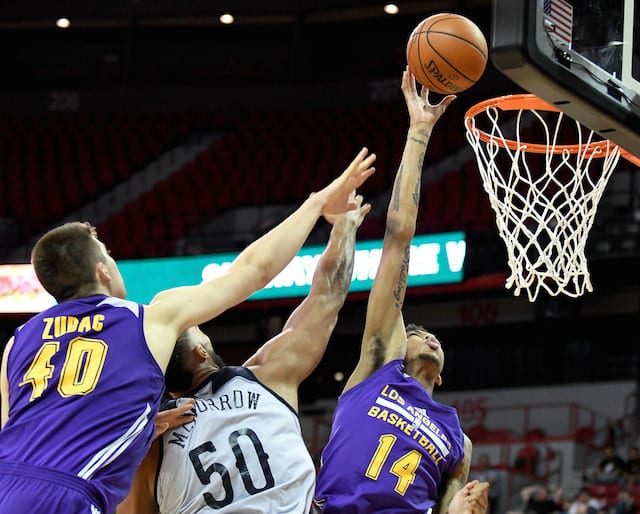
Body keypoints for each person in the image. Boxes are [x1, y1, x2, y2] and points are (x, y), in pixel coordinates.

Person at [0, 149, 376, 514]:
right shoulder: (145, 320)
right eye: (109, 255)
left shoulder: (16, 343)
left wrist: (141, 428)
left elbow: (17, 430)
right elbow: (254, 269)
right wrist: (317, 204)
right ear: (102, 270)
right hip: (71, 493)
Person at [116, 198, 369, 513]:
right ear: (199, 351)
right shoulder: (269, 375)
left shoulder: (151, 441)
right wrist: (345, 226)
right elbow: (328, 294)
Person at [313, 67, 478, 514]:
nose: (430, 337)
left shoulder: (457, 440)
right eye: (418, 332)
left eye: (431, 336)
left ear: (440, 375)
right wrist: (419, 132)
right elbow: (398, 236)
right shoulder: (377, 368)